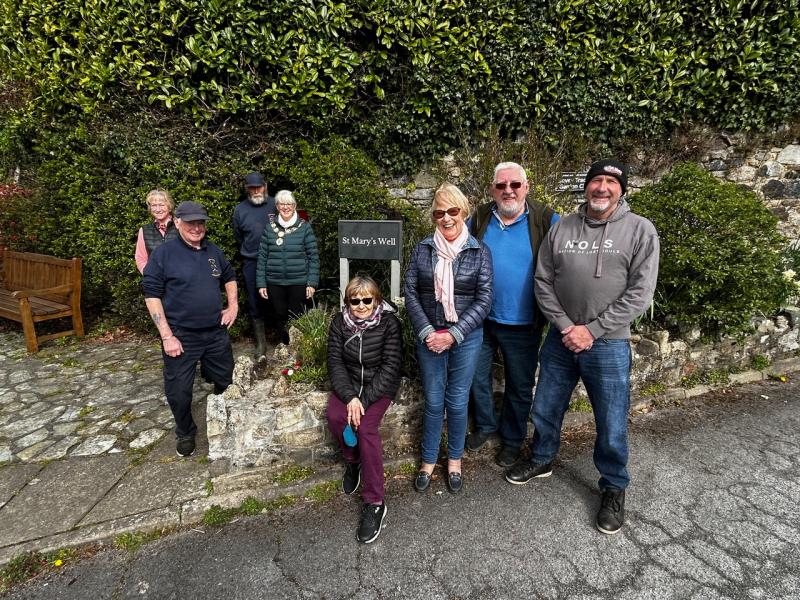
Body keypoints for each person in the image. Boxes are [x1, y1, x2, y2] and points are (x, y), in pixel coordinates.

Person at [505, 159, 660, 535]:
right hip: (561, 340)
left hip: (607, 344)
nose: (602, 188)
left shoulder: (640, 231)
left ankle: (613, 486)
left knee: (610, 421)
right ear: (586, 186)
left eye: (610, 182)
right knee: (545, 407)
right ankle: (542, 458)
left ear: (621, 189)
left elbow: (640, 293)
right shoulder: (563, 228)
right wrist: (565, 326)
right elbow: (543, 281)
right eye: (596, 181)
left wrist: (592, 330)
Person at [467, 162, 560, 468]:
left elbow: (567, 263)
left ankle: (512, 439)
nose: (508, 191)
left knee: (519, 385)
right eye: (501, 185)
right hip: (480, 318)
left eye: (514, 185)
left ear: (526, 187)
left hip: (524, 322)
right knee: (476, 377)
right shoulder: (478, 217)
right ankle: (485, 424)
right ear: (492, 189)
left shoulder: (546, 220)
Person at [405, 182, 493, 494]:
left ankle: (454, 459)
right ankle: (428, 459)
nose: (446, 218)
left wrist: (453, 334)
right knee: (433, 400)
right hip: (429, 335)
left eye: (453, 211)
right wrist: (429, 331)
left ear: (464, 213)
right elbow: (411, 293)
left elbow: (484, 300)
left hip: (466, 337)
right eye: (439, 212)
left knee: (457, 401)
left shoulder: (479, 251)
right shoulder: (422, 249)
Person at [142, 201, 238, 457]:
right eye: (191, 223)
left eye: (201, 222)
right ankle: (185, 432)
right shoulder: (164, 255)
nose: (197, 228)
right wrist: (166, 336)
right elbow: (151, 295)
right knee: (179, 392)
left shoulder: (212, 251)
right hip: (181, 336)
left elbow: (229, 276)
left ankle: (225, 420)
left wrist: (233, 306)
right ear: (177, 222)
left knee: (227, 381)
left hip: (215, 332)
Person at [326, 276, 402, 544]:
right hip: (349, 386)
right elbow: (334, 363)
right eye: (354, 300)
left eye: (366, 300)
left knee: (366, 429)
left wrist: (364, 400)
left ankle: (375, 502)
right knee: (336, 416)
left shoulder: (389, 324)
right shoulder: (339, 323)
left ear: (376, 300)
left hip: (378, 386)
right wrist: (349, 397)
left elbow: (391, 366)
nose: (360, 306)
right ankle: (352, 460)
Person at [255, 190, 319, 345]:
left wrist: (311, 282)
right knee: (279, 315)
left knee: (296, 315)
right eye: (282, 204)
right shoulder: (269, 228)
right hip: (274, 281)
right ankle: (284, 347)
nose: (285, 207)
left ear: (294, 205)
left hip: (299, 280)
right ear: (277, 206)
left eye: (289, 204)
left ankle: (298, 348)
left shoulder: (304, 228)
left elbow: (313, 257)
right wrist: (261, 283)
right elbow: (262, 257)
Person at [232, 172, 277, 358]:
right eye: (252, 188)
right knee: (254, 300)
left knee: (279, 297)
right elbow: (238, 236)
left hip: (276, 259)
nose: (256, 190)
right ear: (247, 189)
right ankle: (261, 344)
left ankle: (283, 337)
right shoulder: (240, 210)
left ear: (265, 186)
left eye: (259, 187)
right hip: (251, 260)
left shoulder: (276, 203)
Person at [134, 189, 178, 274]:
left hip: (180, 281)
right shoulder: (144, 230)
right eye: (154, 205)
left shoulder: (180, 226)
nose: (158, 209)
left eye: (161, 205)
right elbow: (140, 258)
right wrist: (149, 274)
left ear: (169, 207)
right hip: (155, 282)